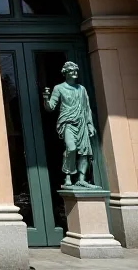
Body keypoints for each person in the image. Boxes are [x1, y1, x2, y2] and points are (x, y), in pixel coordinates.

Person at [42, 61, 99, 189]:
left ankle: (81, 179)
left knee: (84, 152)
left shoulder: (81, 89)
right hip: (67, 122)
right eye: (71, 70)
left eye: (76, 71)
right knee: (71, 148)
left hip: (82, 122)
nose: (74, 73)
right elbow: (50, 107)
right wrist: (46, 98)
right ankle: (68, 176)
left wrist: (90, 124)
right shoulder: (59, 88)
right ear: (65, 72)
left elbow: (87, 108)